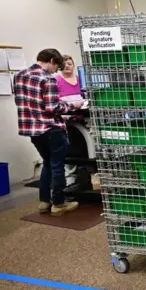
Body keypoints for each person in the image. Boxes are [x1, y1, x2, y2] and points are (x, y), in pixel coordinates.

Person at [14, 49, 83, 216]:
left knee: (47, 163)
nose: (56, 71)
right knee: (58, 165)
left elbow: (22, 101)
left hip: (32, 129)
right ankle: (59, 204)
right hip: (51, 129)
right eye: (56, 66)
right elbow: (53, 108)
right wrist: (72, 106)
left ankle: (45, 202)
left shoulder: (19, 76)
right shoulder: (47, 79)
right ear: (52, 60)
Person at [56, 55, 82, 190]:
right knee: (69, 150)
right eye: (64, 64)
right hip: (65, 121)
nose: (67, 66)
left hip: (81, 119)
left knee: (82, 146)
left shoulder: (79, 80)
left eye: (70, 63)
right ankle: (70, 179)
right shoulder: (56, 81)